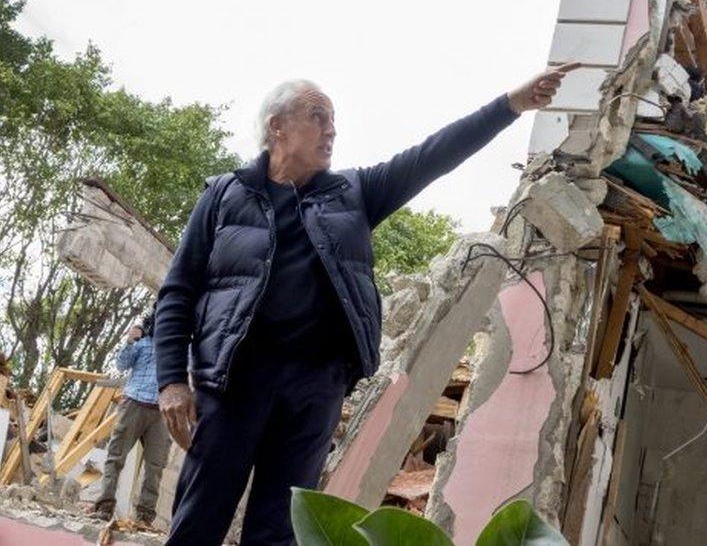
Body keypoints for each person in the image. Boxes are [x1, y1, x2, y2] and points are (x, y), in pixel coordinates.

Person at [154, 63, 578, 545]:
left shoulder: (353, 194)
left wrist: (510, 105)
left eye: (333, 121)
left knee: (278, 531)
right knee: (198, 518)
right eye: (318, 117)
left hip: (314, 388)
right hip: (234, 380)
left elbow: (430, 157)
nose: (331, 130)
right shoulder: (224, 196)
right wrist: (171, 382)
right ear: (277, 125)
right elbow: (178, 291)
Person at [92, 309, 171, 524]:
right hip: (133, 404)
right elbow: (121, 365)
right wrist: (130, 341)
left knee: (155, 466)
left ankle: (145, 516)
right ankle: (104, 506)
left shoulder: (181, 346)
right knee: (116, 457)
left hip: (161, 412)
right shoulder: (143, 342)